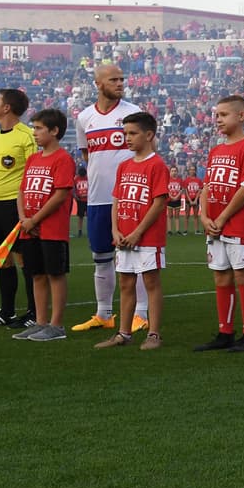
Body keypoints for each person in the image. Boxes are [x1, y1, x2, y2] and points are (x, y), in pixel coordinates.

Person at [71, 65, 146, 333]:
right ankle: (104, 314)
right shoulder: (84, 117)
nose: (120, 83)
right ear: (98, 83)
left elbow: (148, 151)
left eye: (121, 79)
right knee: (101, 256)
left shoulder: (132, 112)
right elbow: (86, 154)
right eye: (113, 79)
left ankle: (141, 313)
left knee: (134, 255)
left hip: (130, 198)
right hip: (98, 198)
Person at [194, 95, 244, 353]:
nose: (218, 120)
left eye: (223, 115)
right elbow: (207, 187)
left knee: (243, 274)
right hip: (214, 225)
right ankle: (225, 331)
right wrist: (204, 216)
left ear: (241, 116)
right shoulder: (216, 150)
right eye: (216, 115)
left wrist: (222, 218)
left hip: (239, 223)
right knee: (221, 276)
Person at [96, 112, 167, 350]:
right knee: (126, 283)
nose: (127, 138)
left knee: (151, 283)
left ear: (148, 135)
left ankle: (154, 334)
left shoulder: (157, 165)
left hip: (147, 237)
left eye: (133, 133)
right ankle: (123, 333)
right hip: (124, 236)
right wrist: (115, 230)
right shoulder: (124, 165)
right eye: (125, 133)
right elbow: (117, 199)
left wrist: (138, 232)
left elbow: (158, 202)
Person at [12, 109, 75, 342]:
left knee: (55, 274)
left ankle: (56, 325)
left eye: (39, 128)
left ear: (54, 131)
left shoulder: (63, 159)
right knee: (36, 274)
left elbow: (60, 195)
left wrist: (34, 219)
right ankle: (39, 322)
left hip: (52, 229)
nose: (34, 132)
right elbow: (22, 190)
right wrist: (23, 220)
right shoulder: (33, 159)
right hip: (29, 228)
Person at [0, 88, 38, 329]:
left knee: (24, 259)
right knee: (2, 260)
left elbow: (34, 171)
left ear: (7, 108)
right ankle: (7, 312)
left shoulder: (27, 136)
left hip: (15, 205)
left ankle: (34, 312)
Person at [185, 167, 204, 236]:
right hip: (188, 200)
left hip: (196, 199)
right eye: (190, 169)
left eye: (193, 170)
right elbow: (186, 191)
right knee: (187, 215)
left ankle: (196, 230)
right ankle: (185, 230)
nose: (192, 171)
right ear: (189, 171)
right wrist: (189, 200)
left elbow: (199, 190)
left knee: (196, 216)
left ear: (195, 171)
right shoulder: (186, 180)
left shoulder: (198, 180)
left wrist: (196, 199)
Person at [166, 165, 184, 237]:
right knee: (170, 216)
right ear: (170, 172)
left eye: (175, 171)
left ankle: (177, 230)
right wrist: (171, 196)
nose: (174, 172)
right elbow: (166, 189)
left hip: (177, 199)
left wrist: (176, 196)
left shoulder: (180, 180)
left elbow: (181, 189)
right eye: (172, 171)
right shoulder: (167, 179)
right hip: (170, 199)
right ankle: (169, 231)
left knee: (177, 216)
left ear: (177, 172)